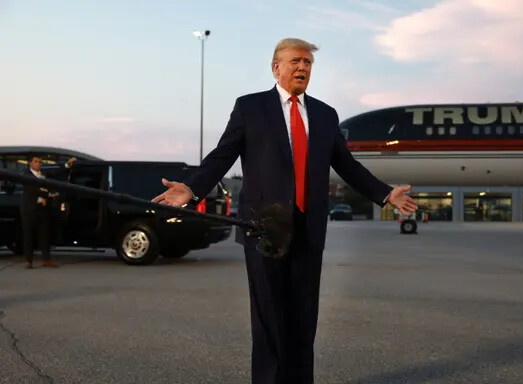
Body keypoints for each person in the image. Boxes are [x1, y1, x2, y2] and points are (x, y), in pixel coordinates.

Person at [152, 38, 417, 384]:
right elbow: (222, 155)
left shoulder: (324, 114)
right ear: (276, 67)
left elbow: (347, 166)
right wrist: (191, 187)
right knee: (268, 320)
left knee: (303, 321)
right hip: (264, 227)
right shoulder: (250, 108)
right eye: (295, 61)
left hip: (309, 229)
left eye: (308, 63)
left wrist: (384, 194)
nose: (302, 68)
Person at [21, 155, 76, 269]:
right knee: (29, 236)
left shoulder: (44, 175)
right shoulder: (26, 175)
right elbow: (33, 190)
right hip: (30, 210)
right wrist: (49, 195)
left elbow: (56, 173)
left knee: (44, 235)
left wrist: (67, 164)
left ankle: (46, 259)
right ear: (30, 163)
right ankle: (28, 261)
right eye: (36, 161)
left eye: (40, 162)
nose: (38, 163)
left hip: (43, 208)